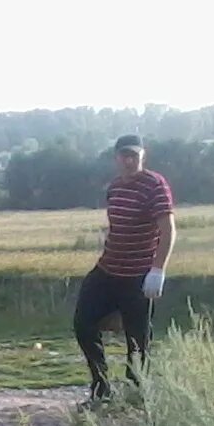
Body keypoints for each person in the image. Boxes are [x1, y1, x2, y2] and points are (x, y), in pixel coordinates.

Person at [72, 133, 176, 400]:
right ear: (116, 157)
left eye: (135, 156)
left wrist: (158, 270)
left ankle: (136, 394)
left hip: (139, 275)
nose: (129, 161)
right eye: (124, 156)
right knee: (83, 323)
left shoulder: (155, 185)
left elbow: (167, 230)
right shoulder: (115, 187)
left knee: (138, 342)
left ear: (143, 156)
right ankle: (101, 386)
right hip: (108, 269)